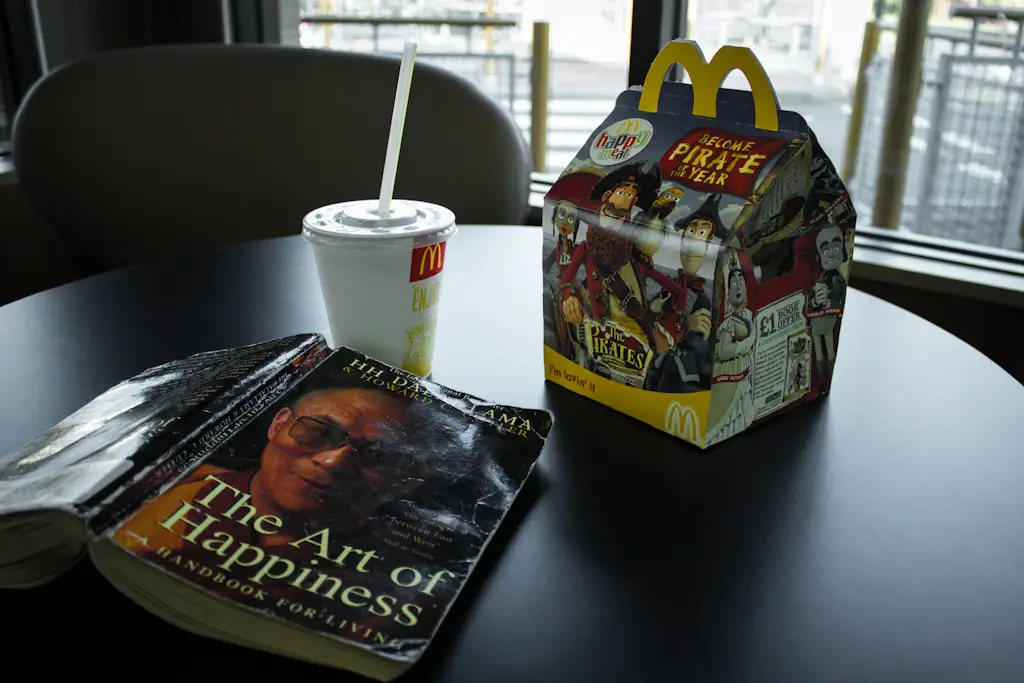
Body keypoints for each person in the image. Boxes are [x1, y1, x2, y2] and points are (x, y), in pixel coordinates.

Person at [116, 387, 420, 559]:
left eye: (377, 456)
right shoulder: (164, 487)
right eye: (319, 431)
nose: (333, 462)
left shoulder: (395, 576)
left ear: (400, 480)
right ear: (278, 426)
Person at [807, 225, 848, 389]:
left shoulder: (840, 281)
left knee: (830, 354)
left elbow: (842, 299)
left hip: (829, 324)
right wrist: (816, 302)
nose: (831, 253)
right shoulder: (818, 282)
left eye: (836, 247)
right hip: (816, 324)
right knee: (817, 356)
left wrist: (831, 304)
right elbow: (808, 304)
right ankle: (820, 383)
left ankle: (826, 384)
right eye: (825, 250)